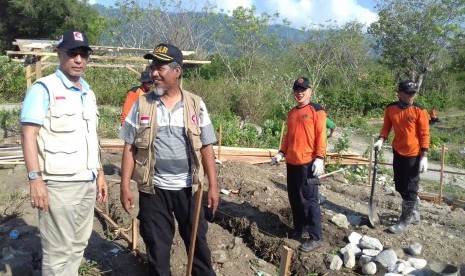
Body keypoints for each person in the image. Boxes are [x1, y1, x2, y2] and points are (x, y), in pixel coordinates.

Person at [119, 43, 219, 275]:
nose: (154, 73)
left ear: (177, 71)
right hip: (154, 191)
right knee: (157, 249)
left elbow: (206, 146)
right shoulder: (142, 104)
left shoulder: (196, 104)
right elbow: (129, 147)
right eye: (153, 67)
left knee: (198, 249)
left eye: (160, 68)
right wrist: (124, 184)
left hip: (189, 190)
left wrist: (213, 186)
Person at [20, 30, 108, 275]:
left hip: (87, 181)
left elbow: (92, 136)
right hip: (58, 185)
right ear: (60, 54)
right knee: (58, 253)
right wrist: (35, 179)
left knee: (78, 245)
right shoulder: (43, 89)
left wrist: (99, 172)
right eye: (73, 53)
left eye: (84, 54)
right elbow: (28, 136)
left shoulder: (88, 93)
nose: (79, 59)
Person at [270, 77, 327, 252]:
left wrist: (320, 157)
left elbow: (321, 134)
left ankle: (315, 236)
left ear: (310, 91)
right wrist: (281, 152)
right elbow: (289, 136)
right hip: (292, 162)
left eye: (303, 90)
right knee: (295, 199)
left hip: (308, 163)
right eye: (296, 90)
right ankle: (299, 229)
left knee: (309, 200)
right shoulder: (292, 112)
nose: (299, 93)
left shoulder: (316, 110)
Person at [373, 80, 430, 234]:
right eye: (408, 92)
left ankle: (405, 220)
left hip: (414, 153)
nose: (411, 96)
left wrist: (424, 155)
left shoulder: (420, 110)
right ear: (399, 93)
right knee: (400, 185)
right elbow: (387, 125)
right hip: (398, 151)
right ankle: (414, 213)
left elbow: (424, 134)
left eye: (413, 93)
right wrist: (381, 139)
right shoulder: (391, 108)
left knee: (411, 187)